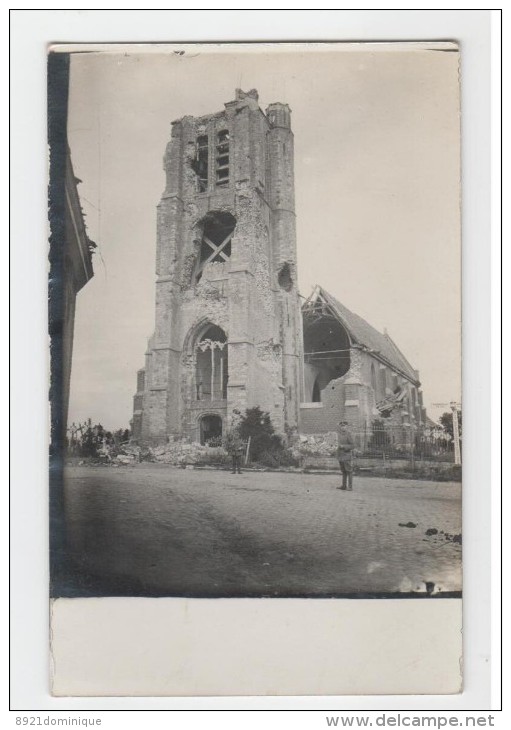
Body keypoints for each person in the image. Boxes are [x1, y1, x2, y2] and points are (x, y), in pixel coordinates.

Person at [336, 420, 355, 490]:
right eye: (341, 426)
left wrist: (343, 446)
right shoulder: (338, 434)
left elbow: (352, 445)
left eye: (344, 426)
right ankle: (344, 486)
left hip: (346, 455)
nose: (342, 427)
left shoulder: (349, 434)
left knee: (349, 471)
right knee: (343, 471)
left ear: (346, 427)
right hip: (340, 455)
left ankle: (350, 487)